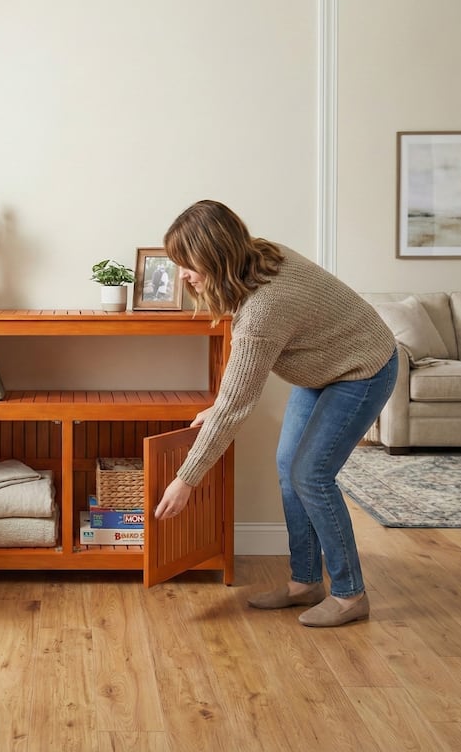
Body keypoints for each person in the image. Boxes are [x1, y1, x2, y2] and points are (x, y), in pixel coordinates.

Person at [153, 200, 398, 627]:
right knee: (289, 467)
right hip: (324, 367)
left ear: (214, 254)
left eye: (187, 265)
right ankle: (305, 582)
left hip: (363, 368)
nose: (184, 276)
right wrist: (219, 407)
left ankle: (350, 593)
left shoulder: (263, 308)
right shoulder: (261, 256)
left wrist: (185, 479)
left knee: (311, 474)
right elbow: (236, 393)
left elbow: (237, 406)